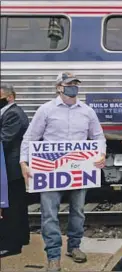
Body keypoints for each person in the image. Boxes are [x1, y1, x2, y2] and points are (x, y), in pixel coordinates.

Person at [19, 72, 106, 272]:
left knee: (78, 211)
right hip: (50, 171)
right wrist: (24, 162)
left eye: (76, 83)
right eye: (69, 83)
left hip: (79, 169)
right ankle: (53, 256)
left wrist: (101, 154)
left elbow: (98, 136)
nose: (73, 87)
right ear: (59, 87)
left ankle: (74, 246)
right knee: (49, 214)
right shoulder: (46, 110)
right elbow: (31, 137)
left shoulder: (87, 111)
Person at [0, 84, 30, 258]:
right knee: (17, 204)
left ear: (10, 97)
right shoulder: (10, 112)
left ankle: (11, 245)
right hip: (11, 166)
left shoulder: (13, 113)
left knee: (10, 206)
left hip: (10, 167)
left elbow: (4, 139)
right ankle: (21, 238)